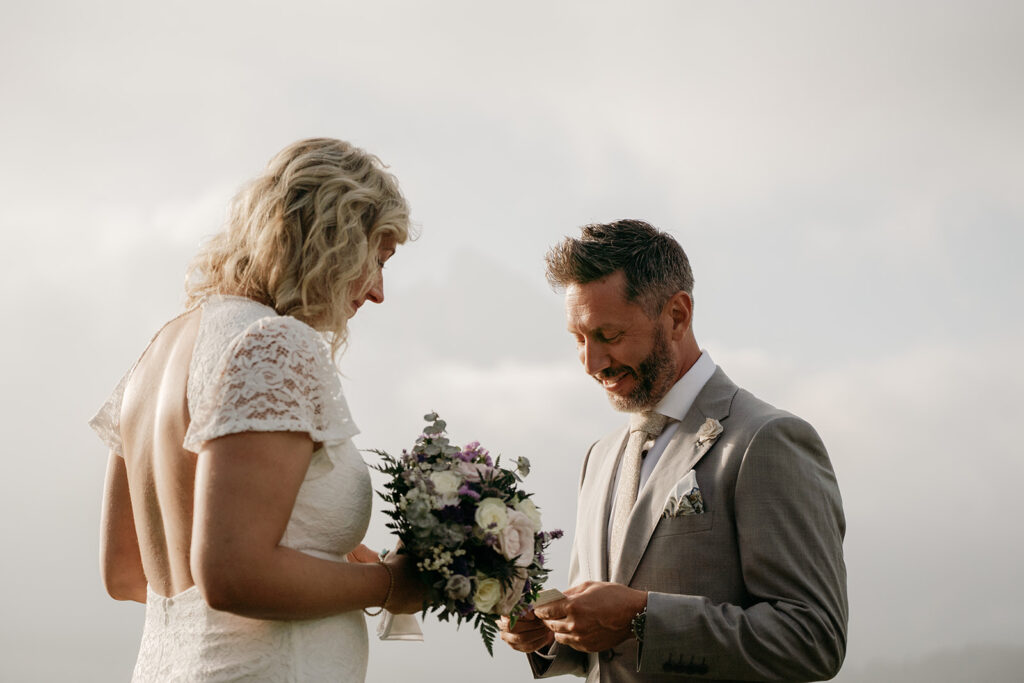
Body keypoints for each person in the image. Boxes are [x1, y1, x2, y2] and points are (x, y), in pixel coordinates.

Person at [89, 138, 424, 682]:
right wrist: (392, 585)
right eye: (378, 259)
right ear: (332, 241)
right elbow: (233, 574)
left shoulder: (160, 352)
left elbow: (127, 573)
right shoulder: (276, 344)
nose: (379, 291)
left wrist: (330, 558)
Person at [500, 219, 847, 681]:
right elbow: (604, 646)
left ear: (678, 315)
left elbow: (813, 637)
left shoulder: (767, 440)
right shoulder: (599, 457)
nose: (591, 363)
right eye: (579, 339)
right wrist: (549, 633)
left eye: (609, 335)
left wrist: (641, 617)